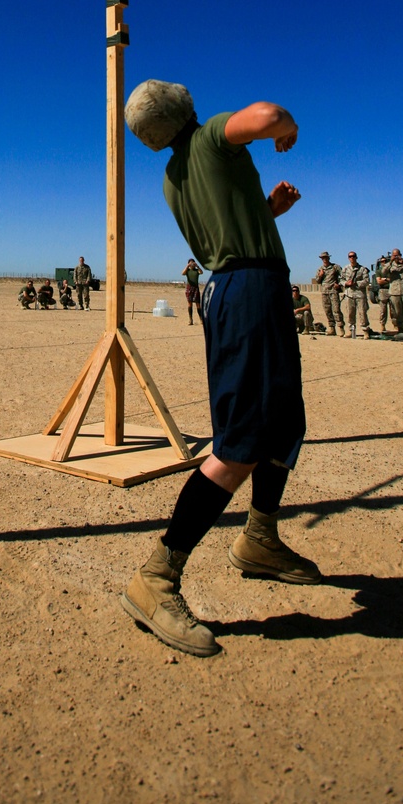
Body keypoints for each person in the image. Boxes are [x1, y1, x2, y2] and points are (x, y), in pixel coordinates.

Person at [120, 79, 319, 659]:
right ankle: (156, 579)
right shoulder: (210, 137)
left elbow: (229, 232)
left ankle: (260, 540)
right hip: (249, 292)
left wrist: (267, 212)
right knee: (239, 443)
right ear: (185, 109)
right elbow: (270, 113)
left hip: (247, 286)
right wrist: (286, 127)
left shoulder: (174, 175)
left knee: (284, 426)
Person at [341, 251, 371, 339]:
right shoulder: (345, 269)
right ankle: (351, 331)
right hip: (349, 294)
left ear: (356, 257)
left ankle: (365, 331)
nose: (352, 258)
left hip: (360, 295)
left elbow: (366, 281)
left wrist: (356, 283)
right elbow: (341, 280)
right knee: (350, 314)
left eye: (353, 256)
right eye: (350, 256)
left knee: (362, 314)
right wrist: (346, 283)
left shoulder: (362, 269)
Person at [313, 251, 343, 336]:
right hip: (324, 292)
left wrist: (339, 284)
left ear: (328, 258)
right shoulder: (320, 269)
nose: (324, 259)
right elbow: (318, 281)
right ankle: (332, 328)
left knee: (336, 310)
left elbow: (343, 277)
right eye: (323, 258)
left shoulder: (335, 267)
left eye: (325, 257)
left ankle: (341, 328)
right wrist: (320, 275)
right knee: (327, 310)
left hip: (333, 291)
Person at [182, 259, 203, 325]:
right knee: (189, 303)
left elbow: (201, 272)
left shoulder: (196, 271)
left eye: (193, 263)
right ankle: (190, 320)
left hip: (196, 288)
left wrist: (197, 266)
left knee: (198, 305)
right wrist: (187, 266)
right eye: (191, 263)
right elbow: (182, 273)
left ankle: (201, 319)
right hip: (189, 288)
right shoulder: (188, 271)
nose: (192, 264)